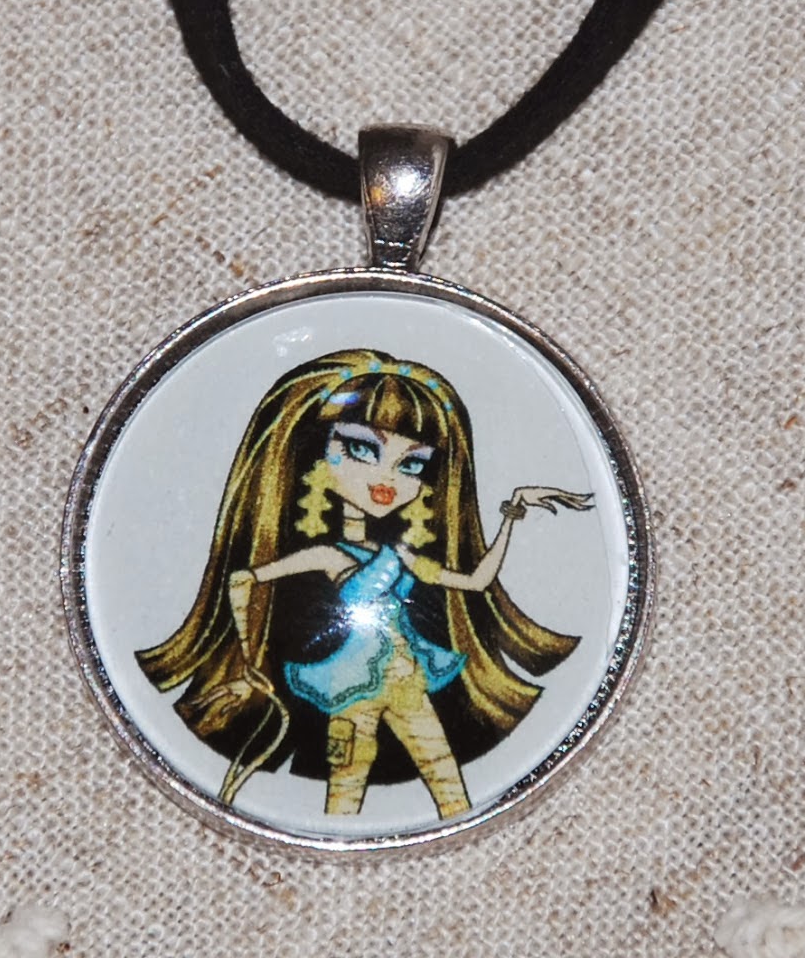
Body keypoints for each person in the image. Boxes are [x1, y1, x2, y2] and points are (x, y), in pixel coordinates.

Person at [137, 348, 591, 818]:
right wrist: (250, 659)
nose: (386, 478)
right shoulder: (327, 555)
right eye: (360, 448)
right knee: (346, 789)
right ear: (314, 451)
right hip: (350, 692)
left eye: (411, 464)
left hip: (409, 683)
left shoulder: (400, 554)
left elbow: (476, 581)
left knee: (450, 786)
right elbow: (244, 578)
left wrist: (512, 513)